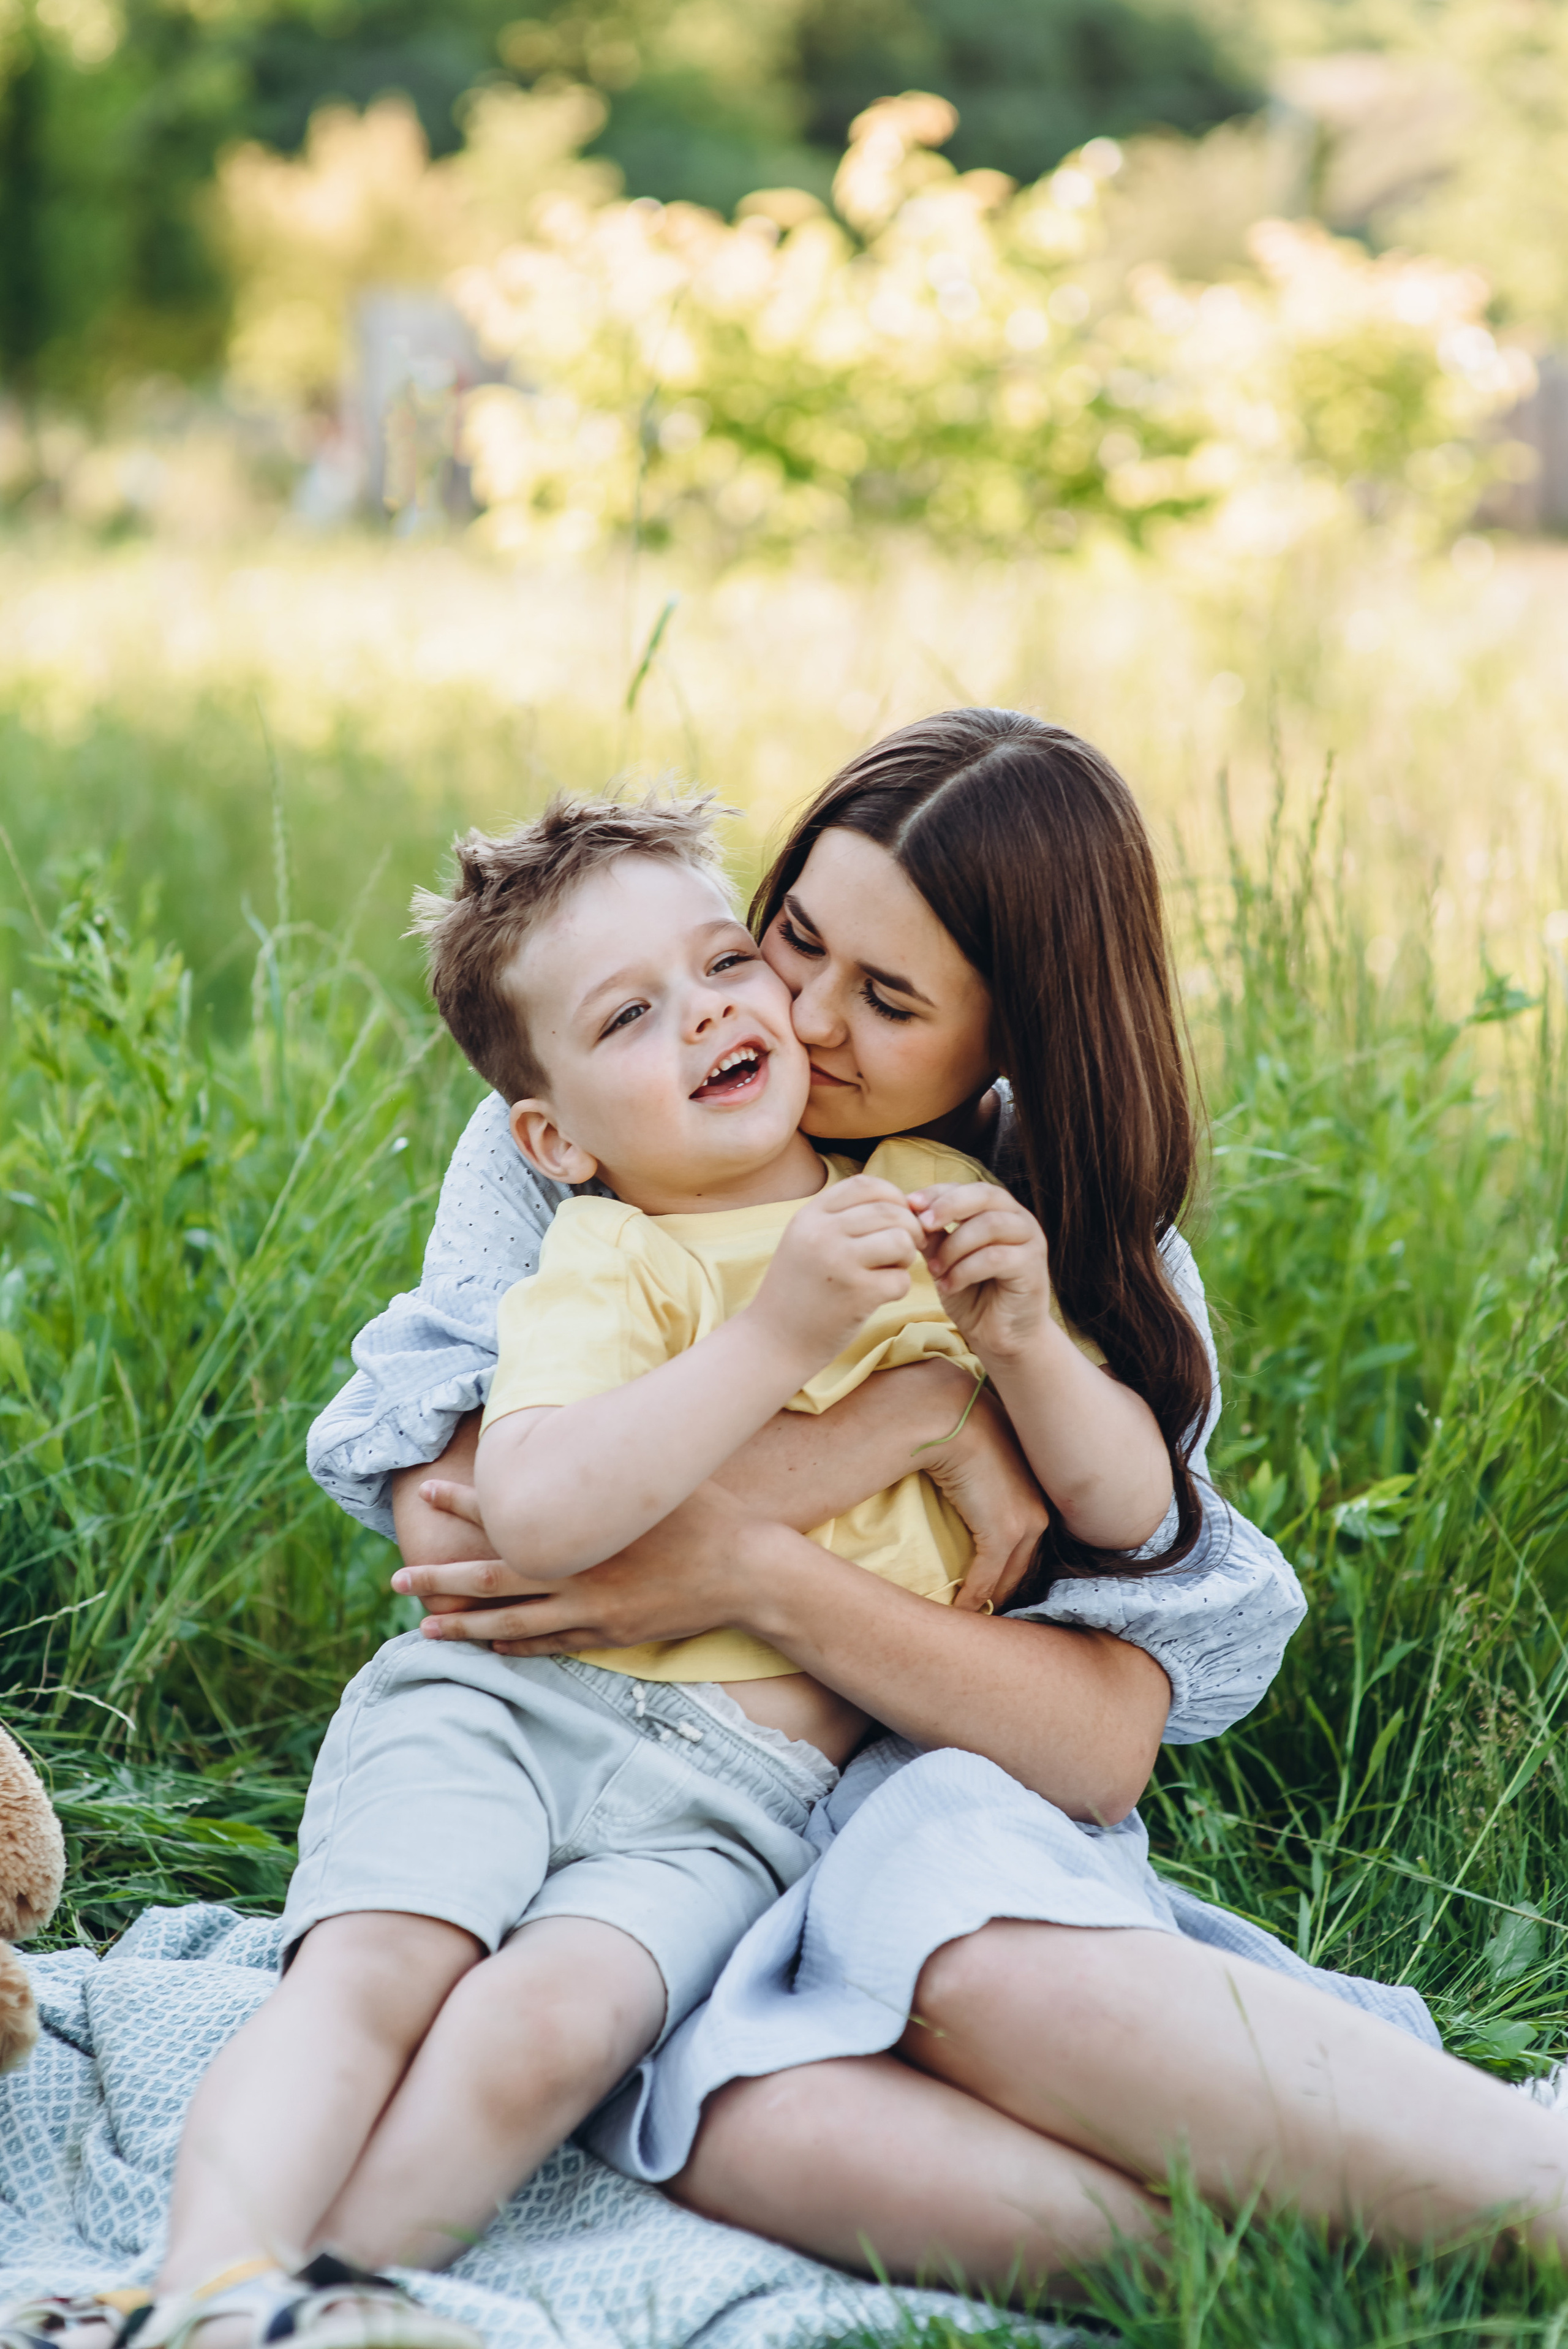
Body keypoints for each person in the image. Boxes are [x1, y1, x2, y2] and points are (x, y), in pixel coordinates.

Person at [355, 711, 1568, 2293]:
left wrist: (752, 1564)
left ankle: (1525, 2201)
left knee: (966, 1953)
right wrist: (911, 1419)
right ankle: (1380, 2258)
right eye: (795, 939)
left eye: (891, 999)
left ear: (1009, 1045)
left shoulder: (1038, 1230)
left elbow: (1096, 1736)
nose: (799, 1016)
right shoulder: (600, 1105)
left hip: (942, 1792)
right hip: (654, 1823)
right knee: (754, 2120)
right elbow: (466, 1536)